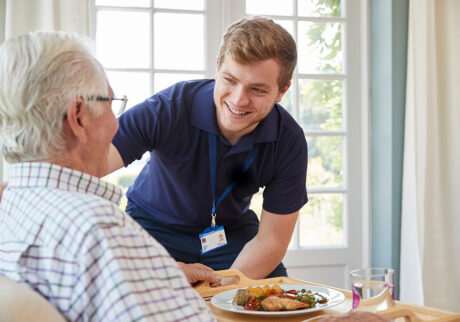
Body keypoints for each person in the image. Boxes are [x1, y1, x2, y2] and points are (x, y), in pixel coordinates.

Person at [0, 31, 216, 321]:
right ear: (78, 116)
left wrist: (149, 272)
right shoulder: (97, 228)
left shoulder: (10, 204)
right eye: (111, 104)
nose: (117, 124)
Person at [107, 16, 308, 280]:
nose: (238, 100)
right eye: (230, 80)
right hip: (152, 227)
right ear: (217, 68)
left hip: (229, 233)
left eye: (257, 89)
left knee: (271, 305)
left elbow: (271, 241)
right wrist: (162, 272)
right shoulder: (168, 108)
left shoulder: (289, 140)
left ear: (282, 91)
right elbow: (85, 162)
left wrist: (220, 287)